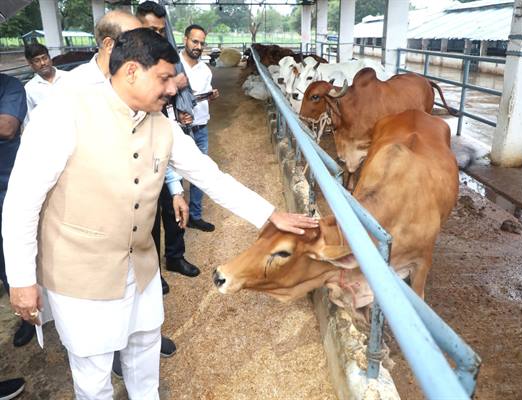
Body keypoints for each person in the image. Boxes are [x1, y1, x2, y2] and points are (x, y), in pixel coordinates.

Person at [3, 28, 317, 399]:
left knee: (144, 353)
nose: (172, 88)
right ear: (131, 71)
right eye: (165, 78)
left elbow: (209, 175)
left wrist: (269, 214)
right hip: (80, 274)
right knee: (93, 375)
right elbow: (22, 201)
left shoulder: (162, 126)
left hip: (141, 268)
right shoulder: (63, 114)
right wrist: (21, 280)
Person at [57, 9, 180, 373]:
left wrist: (173, 186)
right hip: (85, 255)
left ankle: (131, 343)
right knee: (94, 363)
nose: (147, 43)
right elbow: (31, 190)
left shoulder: (152, 107)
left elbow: (177, 152)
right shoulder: (70, 95)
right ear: (116, 49)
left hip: (137, 233)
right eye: (137, 37)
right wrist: (23, 277)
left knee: (143, 339)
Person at [136, 1, 201, 276]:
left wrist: (180, 110)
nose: (159, 36)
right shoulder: (131, 63)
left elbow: (169, 101)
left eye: (162, 31)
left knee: (173, 200)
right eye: (152, 29)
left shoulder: (166, 56)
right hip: (140, 153)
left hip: (165, 138)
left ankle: (175, 256)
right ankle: (152, 271)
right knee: (147, 214)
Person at [0, 73, 28, 397]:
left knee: (20, 259)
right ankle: (25, 314)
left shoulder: (9, 87)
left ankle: (32, 316)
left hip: (10, 192)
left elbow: (7, 127)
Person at [179, 24, 218, 232]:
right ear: (185, 39)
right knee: (175, 173)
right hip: (179, 129)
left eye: (202, 43)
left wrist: (211, 96)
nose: (198, 46)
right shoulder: (174, 66)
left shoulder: (205, 70)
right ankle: (177, 218)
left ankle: (195, 215)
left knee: (200, 173)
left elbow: (203, 96)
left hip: (201, 127)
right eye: (195, 41)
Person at [23, 43, 65, 125]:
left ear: (50, 58)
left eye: (45, 58)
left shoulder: (69, 77)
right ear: (30, 64)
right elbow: (28, 122)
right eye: (37, 61)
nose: (42, 63)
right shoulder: (29, 89)